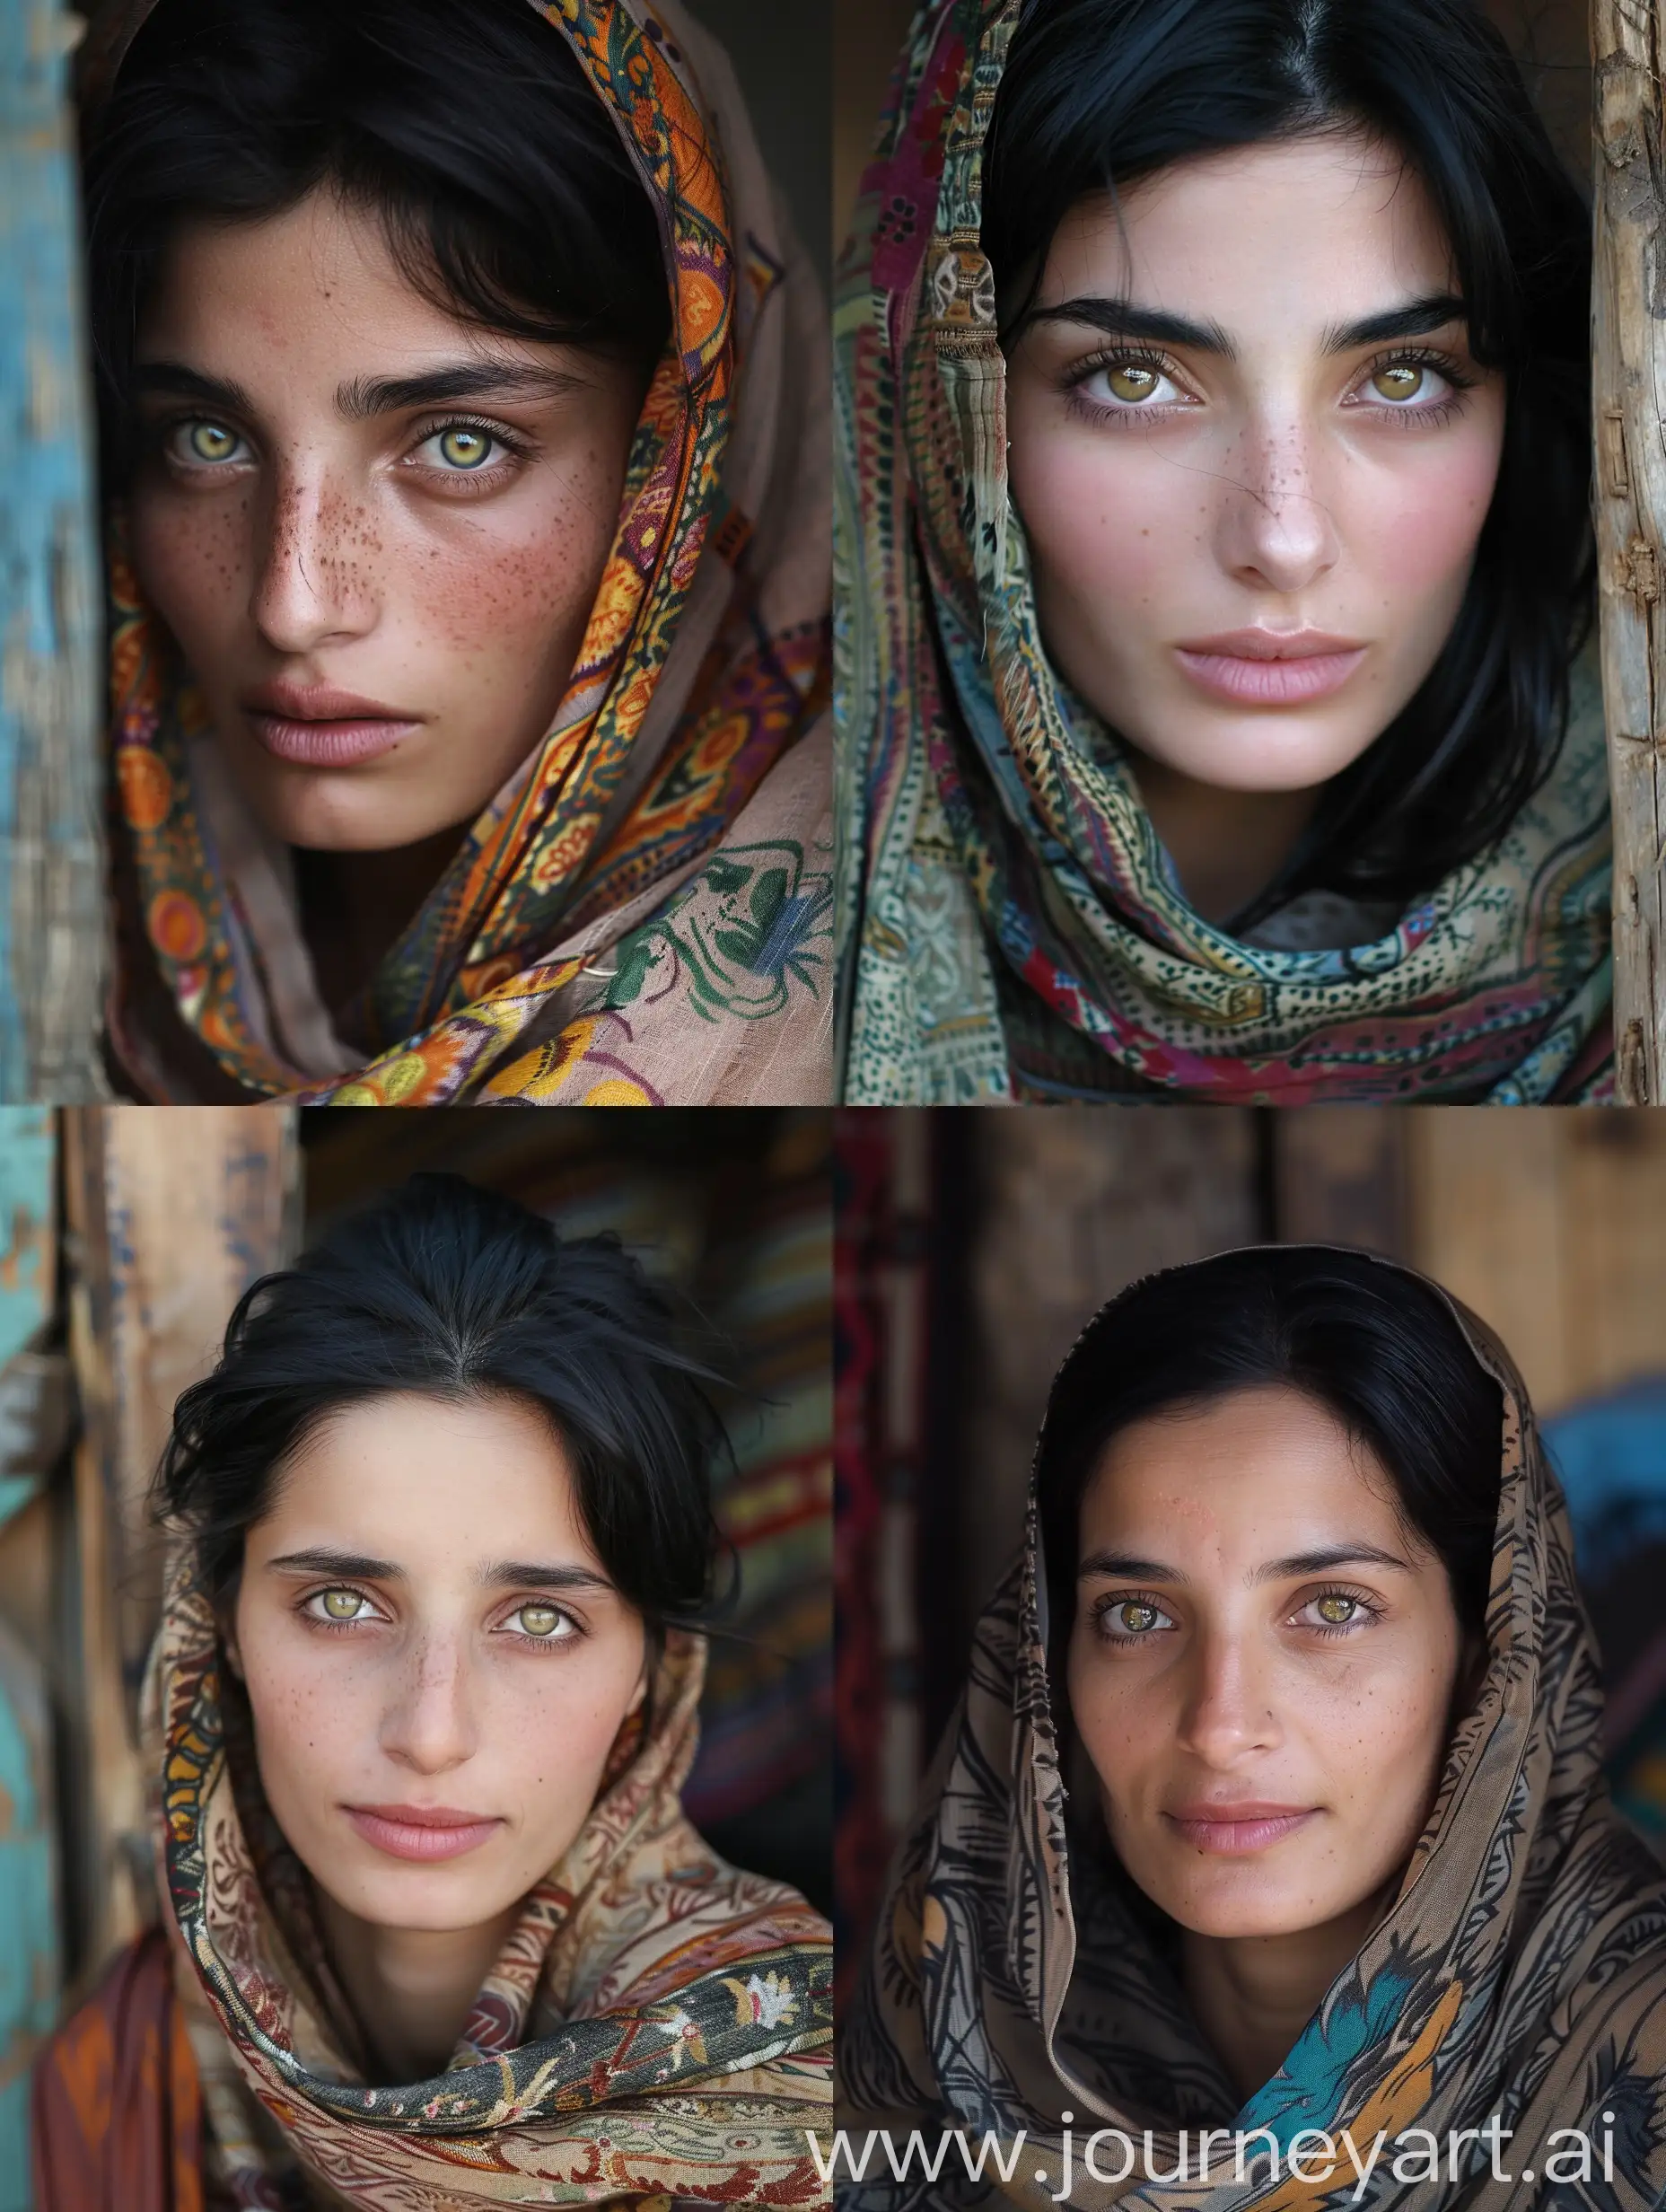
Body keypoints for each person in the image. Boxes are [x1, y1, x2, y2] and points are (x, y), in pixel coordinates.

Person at [835, 0, 1609, 1103]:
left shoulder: (1632, 941)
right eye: (1132, 379)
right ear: (942, 409)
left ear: (1514, 407)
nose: (1282, 539)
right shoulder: (797, 934)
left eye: (1400, 377)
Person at [81, 0, 832, 1106]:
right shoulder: (59, 918)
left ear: (681, 466)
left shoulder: (865, 991)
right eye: (206, 440)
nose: (292, 605)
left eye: (461, 444)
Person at [32, 1174, 832, 2208]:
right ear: (221, 1627)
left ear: (649, 1664)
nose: (431, 1730)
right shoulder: (126, 2078)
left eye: (538, 1620)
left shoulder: (816, 2092)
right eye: (340, 1603)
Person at [837, 1248, 1666, 2208]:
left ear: (1492, 1656)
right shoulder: (946, 2035)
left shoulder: (1633, 2075)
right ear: (1046, 1658)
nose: (1220, 1725)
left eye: (1331, 1608)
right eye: (1137, 1615)